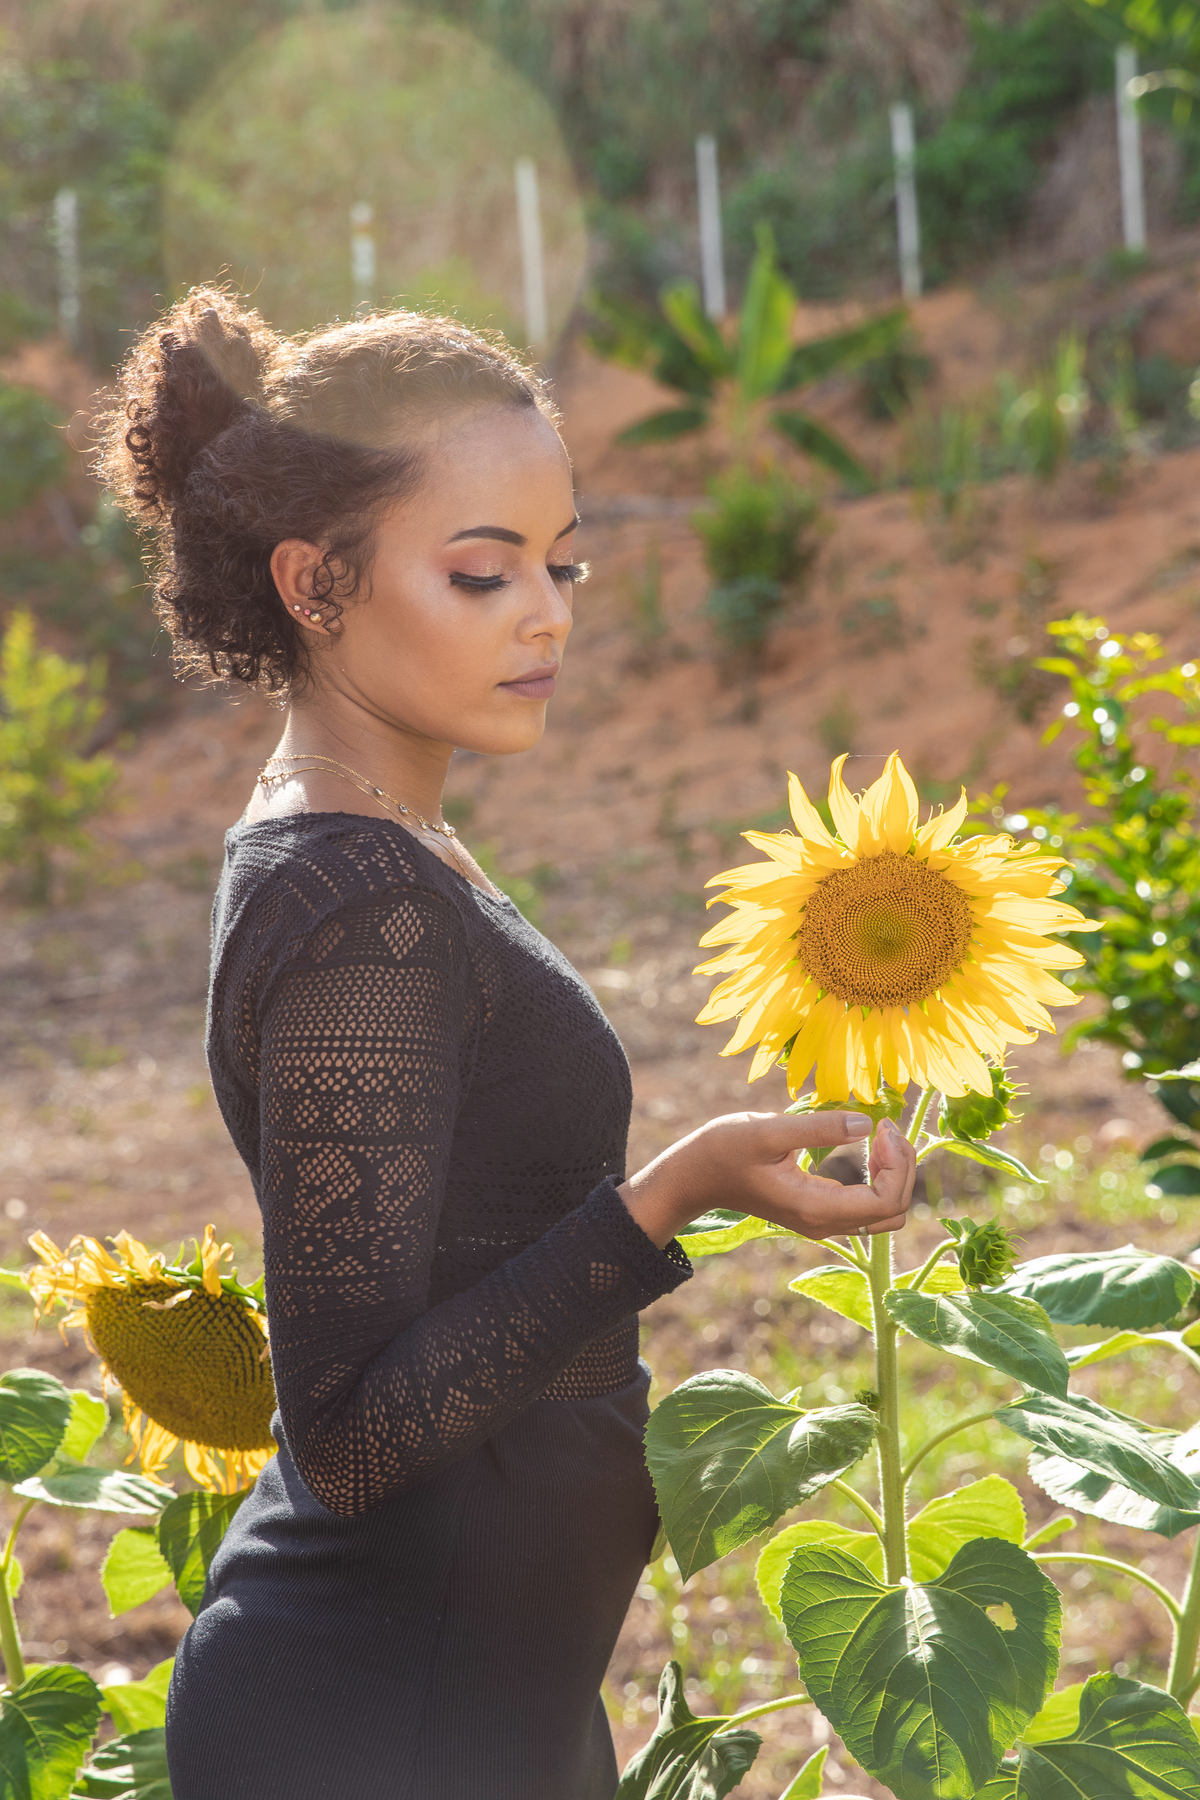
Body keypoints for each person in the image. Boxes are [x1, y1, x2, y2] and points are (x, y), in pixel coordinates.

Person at [97, 289, 916, 1800]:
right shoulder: (360, 905)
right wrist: (666, 1200)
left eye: (563, 561)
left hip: (480, 1698)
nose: (549, 613)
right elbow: (348, 1437)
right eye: (483, 572)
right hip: (373, 1720)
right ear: (315, 584)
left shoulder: (390, 847)